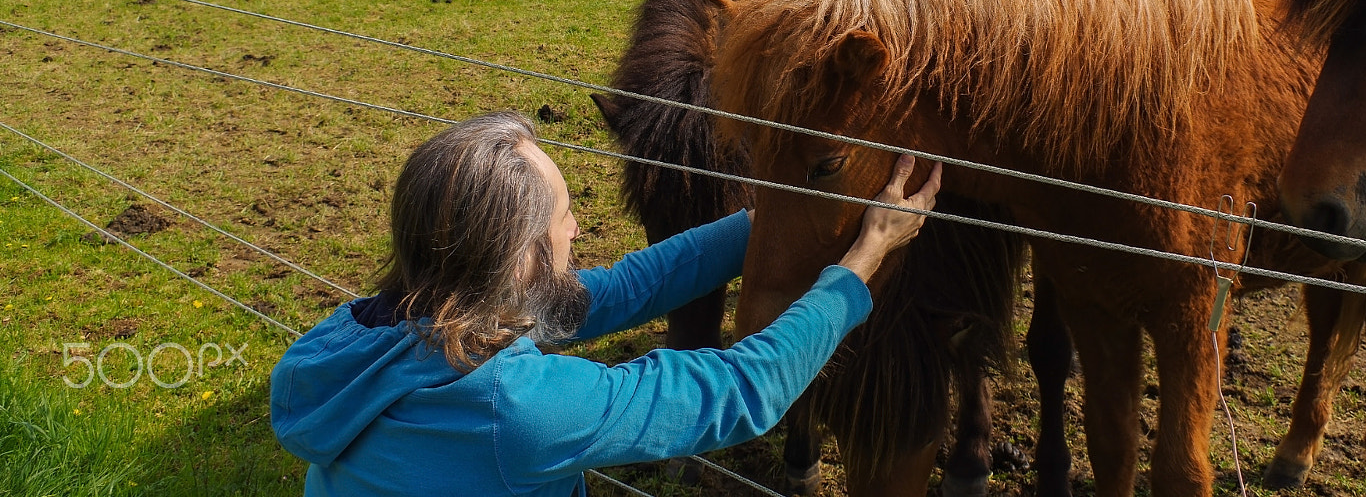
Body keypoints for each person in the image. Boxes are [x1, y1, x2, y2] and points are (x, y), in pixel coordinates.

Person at [271, 109, 941, 497]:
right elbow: (739, 389)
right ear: (519, 255)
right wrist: (863, 258)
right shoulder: (518, 410)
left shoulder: (347, 338)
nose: (577, 231)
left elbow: (620, 290)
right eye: (563, 218)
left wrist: (762, 225)